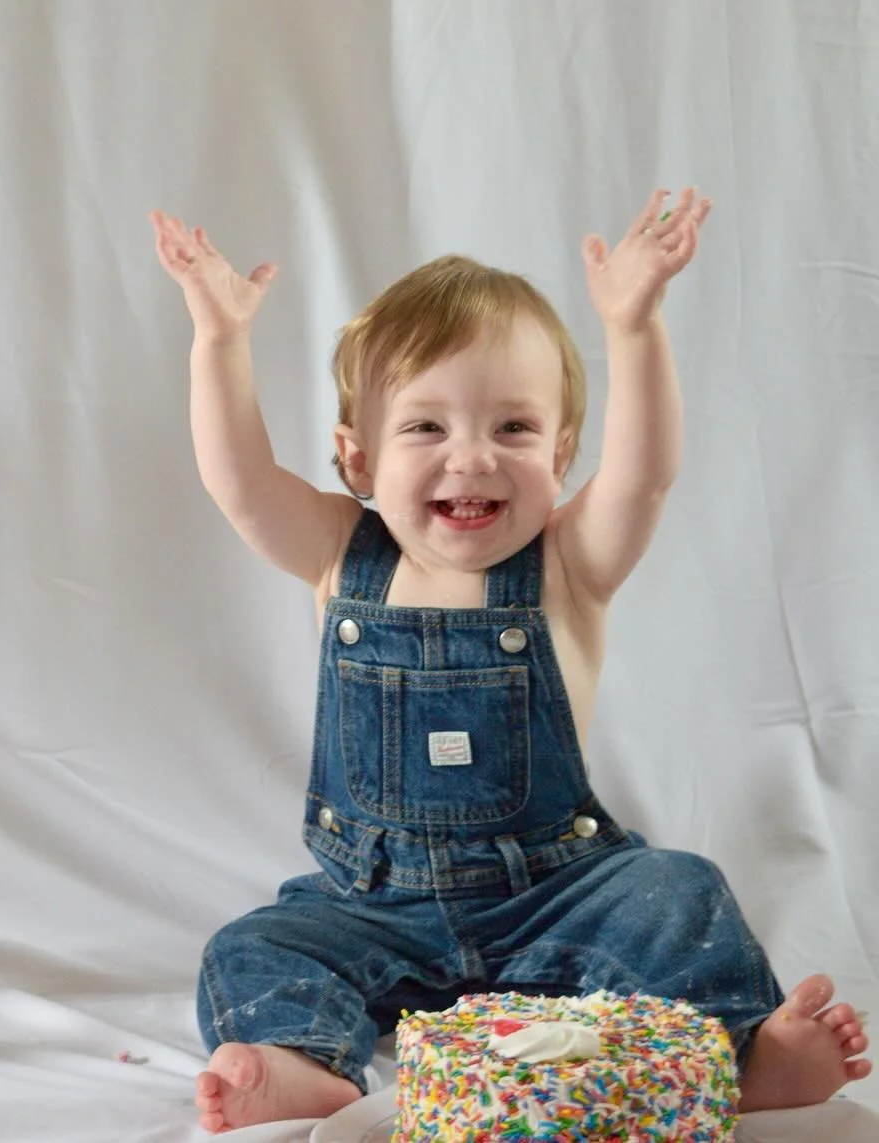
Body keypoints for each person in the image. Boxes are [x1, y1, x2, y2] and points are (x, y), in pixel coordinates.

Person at [149, 190, 872, 1133]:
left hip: (558, 894)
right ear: (355, 459)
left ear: (564, 452)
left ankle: (735, 1052)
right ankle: (298, 1061)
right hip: (377, 902)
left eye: (514, 429)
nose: (473, 458)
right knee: (252, 945)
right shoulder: (339, 554)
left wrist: (636, 323)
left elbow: (646, 474)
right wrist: (219, 339)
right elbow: (238, 481)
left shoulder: (569, 565)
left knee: (678, 891)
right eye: (426, 427)